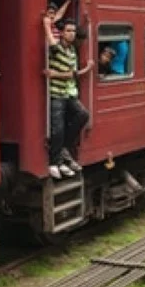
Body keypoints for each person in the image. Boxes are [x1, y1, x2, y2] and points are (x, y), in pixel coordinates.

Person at [43, 17, 93, 179]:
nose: (71, 34)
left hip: (68, 93)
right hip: (56, 93)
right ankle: (53, 162)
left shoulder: (72, 51)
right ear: (62, 33)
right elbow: (71, 73)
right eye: (68, 31)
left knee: (83, 114)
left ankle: (63, 149)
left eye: (73, 31)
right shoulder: (56, 48)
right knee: (57, 129)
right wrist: (46, 25)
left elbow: (72, 73)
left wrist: (57, 74)